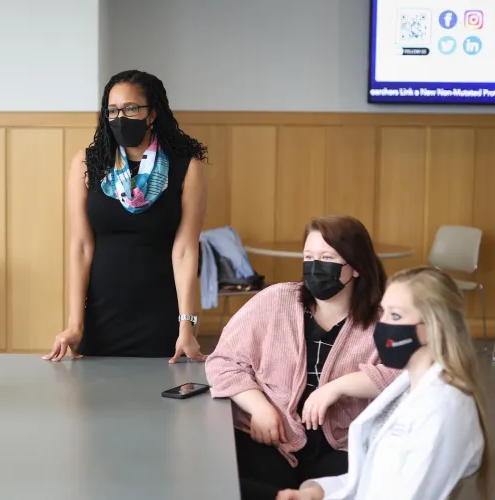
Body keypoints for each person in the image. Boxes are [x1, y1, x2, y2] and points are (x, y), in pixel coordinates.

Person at [205, 215, 400, 500]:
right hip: (271, 435)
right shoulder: (276, 300)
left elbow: (405, 374)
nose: (314, 266)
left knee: (351, 488)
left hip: (341, 444)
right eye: (309, 256)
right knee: (230, 485)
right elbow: (223, 361)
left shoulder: (384, 319)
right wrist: (259, 408)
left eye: (327, 257)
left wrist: (337, 387)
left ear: (356, 267)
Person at [278, 267, 489, 500]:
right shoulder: (408, 388)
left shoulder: (445, 407)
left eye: (396, 316)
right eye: (384, 313)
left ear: (433, 326)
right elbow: (371, 476)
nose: (383, 325)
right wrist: (317, 493)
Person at [44, 69, 208, 362]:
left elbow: (185, 251)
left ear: (153, 113)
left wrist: (187, 326)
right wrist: (74, 324)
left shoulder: (186, 167)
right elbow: (81, 246)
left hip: (161, 316)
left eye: (131, 108)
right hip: (101, 315)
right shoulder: (86, 163)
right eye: (113, 110)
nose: (121, 117)